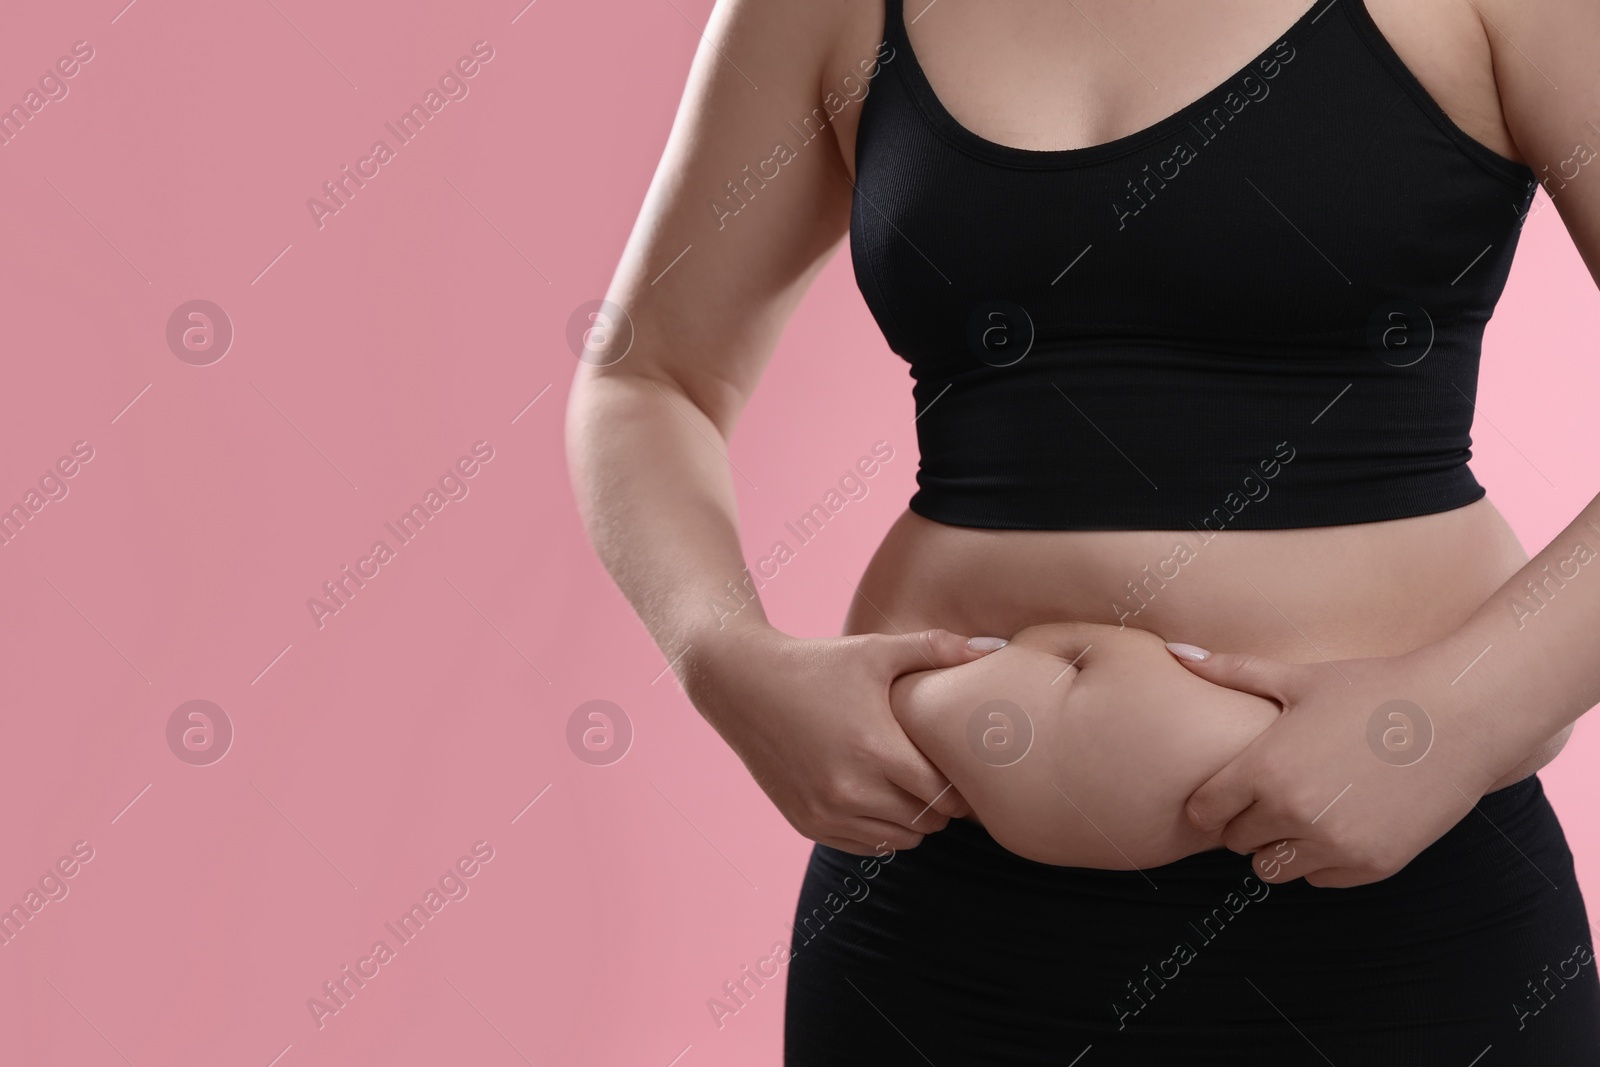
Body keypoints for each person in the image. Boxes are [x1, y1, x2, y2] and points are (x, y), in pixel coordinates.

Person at [565, 0, 1600, 1059]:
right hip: (927, 920)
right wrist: (724, 658)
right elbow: (647, 374)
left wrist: (1455, 719)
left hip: (1397, 933)